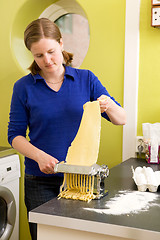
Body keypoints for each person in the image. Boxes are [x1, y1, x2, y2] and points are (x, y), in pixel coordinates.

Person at [8, 18, 126, 240]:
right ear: (31, 54)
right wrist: (40, 157)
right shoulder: (23, 87)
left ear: (61, 44)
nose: (48, 60)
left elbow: (121, 119)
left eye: (51, 51)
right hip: (39, 181)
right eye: (39, 55)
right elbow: (14, 136)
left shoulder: (86, 79)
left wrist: (108, 104)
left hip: (82, 180)